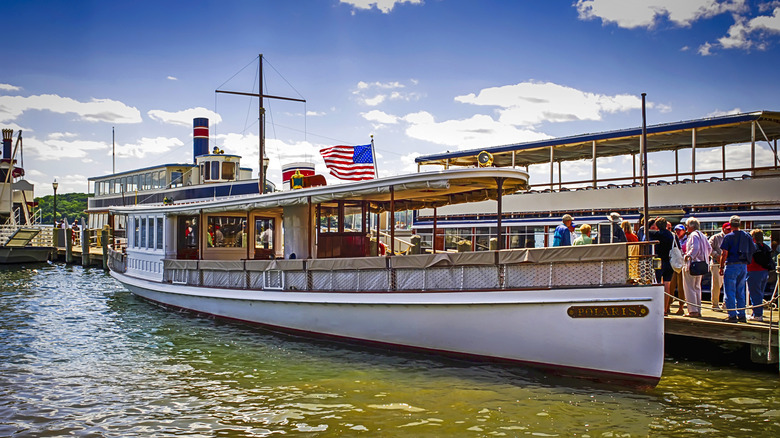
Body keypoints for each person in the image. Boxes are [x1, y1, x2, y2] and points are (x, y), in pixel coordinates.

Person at [719, 215, 756, 323]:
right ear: (740, 224)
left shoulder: (728, 237)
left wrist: (721, 267)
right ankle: (742, 314)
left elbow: (724, 253)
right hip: (743, 265)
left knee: (729, 291)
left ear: (730, 224)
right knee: (741, 291)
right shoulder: (747, 236)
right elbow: (753, 249)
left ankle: (732, 315)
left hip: (731, 265)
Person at [681, 217, 711, 318]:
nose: (686, 227)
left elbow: (695, 248)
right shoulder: (702, 235)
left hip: (692, 264)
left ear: (691, 226)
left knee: (689, 287)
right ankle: (698, 309)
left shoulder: (693, 235)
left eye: (687, 226)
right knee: (697, 287)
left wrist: (688, 256)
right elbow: (709, 248)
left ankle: (692, 311)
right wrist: (704, 257)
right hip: (701, 265)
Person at [648, 217, 675, 315]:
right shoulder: (671, 235)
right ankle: (666, 308)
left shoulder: (657, 234)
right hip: (669, 261)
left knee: (658, 284)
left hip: (659, 261)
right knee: (667, 285)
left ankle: (658, 308)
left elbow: (645, 230)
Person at [746, 229, 772, 322]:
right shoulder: (765, 247)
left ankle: (757, 315)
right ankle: (756, 312)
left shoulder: (752, 247)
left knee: (755, 294)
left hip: (753, 271)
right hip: (764, 272)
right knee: (760, 293)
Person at [708, 223, 731, 311]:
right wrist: (716, 256)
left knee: (728, 284)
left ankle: (726, 303)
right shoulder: (715, 237)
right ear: (723, 229)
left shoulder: (731, 238)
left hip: (728, 264)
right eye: (728, 229)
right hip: (716, 264)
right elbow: (709, 248)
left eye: (730, 229)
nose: (729, 231)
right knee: (716, 284)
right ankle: (715, 304)